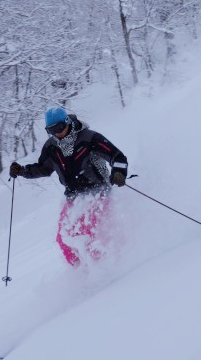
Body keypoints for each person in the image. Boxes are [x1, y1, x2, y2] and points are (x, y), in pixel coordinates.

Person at [9, 107, 128, 266]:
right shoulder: (51, 147)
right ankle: (80, 271)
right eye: (51, 130)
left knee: (88, 233)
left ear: (67, 122)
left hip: (98, 191)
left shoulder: (89, 138)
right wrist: (23, 171)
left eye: (59, 128)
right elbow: (43, 168)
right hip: (73, 196)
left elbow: (117, 156)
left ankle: (103, 267)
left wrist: (119, 172)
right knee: (63, 238)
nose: (57, 133)